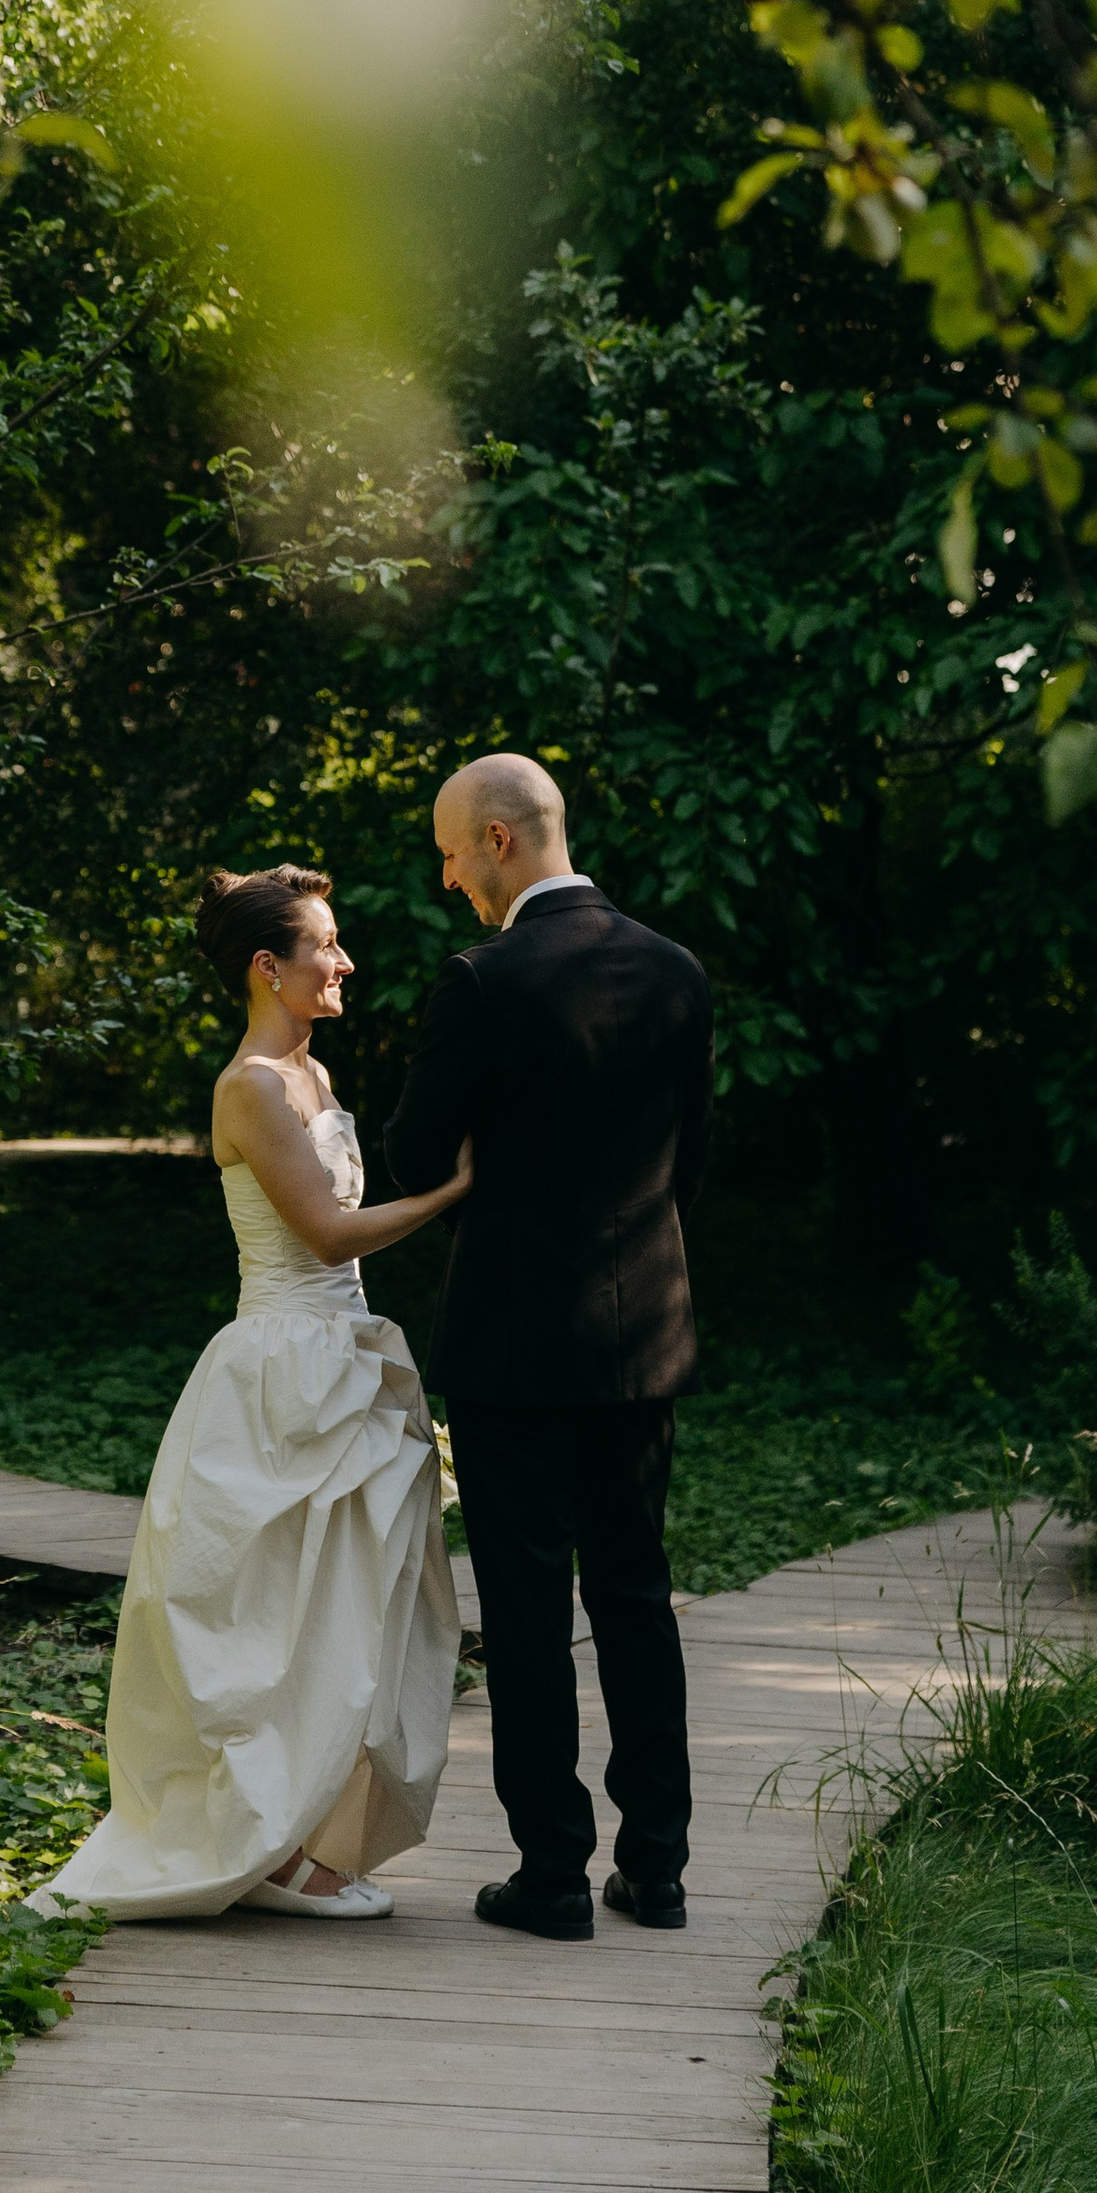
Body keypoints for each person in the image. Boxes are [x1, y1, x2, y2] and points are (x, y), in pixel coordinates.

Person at [34, 863, 472, 1923]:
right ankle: (266, 1845)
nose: (344, 961)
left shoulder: (312, 1077)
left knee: (347, 1607)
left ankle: (305, 1833)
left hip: (346, 1355)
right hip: (282, 1369)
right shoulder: (252, 1088)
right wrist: (456, 1191)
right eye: (325, 945)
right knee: (270, 1615)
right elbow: (323, 1235)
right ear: (267, 967)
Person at [385, 753, 712, 1942]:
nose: (446, 874)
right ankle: (660, 1869)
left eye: (451, 850)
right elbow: (691, 1157)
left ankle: (553, 1875)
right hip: (644, 1337)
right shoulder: (676, 972)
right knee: (634, 1594)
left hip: (516, 1345)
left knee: (526, 1603)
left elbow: (418, 1156)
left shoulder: (484, 983)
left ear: (499, 843)